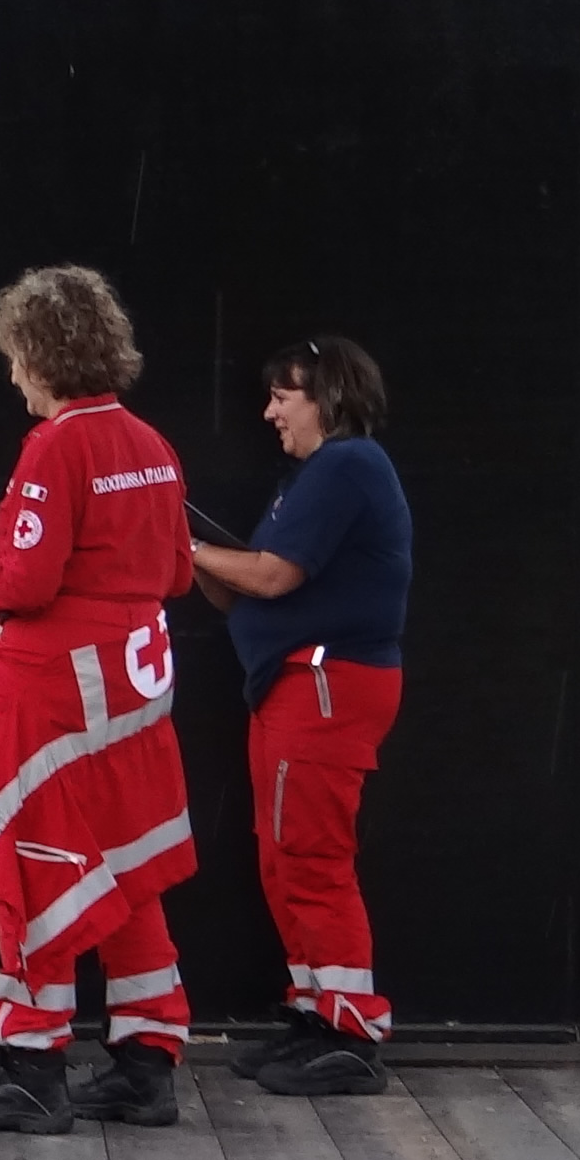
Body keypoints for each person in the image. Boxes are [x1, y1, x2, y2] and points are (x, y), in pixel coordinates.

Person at [0, 265, 199, 1132]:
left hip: (53, 702)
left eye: (15, 357)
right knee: (128, 871)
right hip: (136, 692)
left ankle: (30, 1067)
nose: (13, 375)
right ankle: (146, 1061)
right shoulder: (153, 445)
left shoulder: (55, 447)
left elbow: (29, 579)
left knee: (30, 871)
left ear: (40, 354)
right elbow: (175, 574)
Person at [191, 336, 412, 1097]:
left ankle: (350, 1032)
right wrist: (188, 555)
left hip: (325, 686)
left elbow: (272, 575)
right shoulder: (313, 479)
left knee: (312, 855)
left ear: (328, 397)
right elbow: (244, 587)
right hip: (294, 687)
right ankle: (317, 1015)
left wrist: (185, 545)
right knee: (285, 854)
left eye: (283, 397)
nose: (269, 412)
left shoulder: (348, 465)